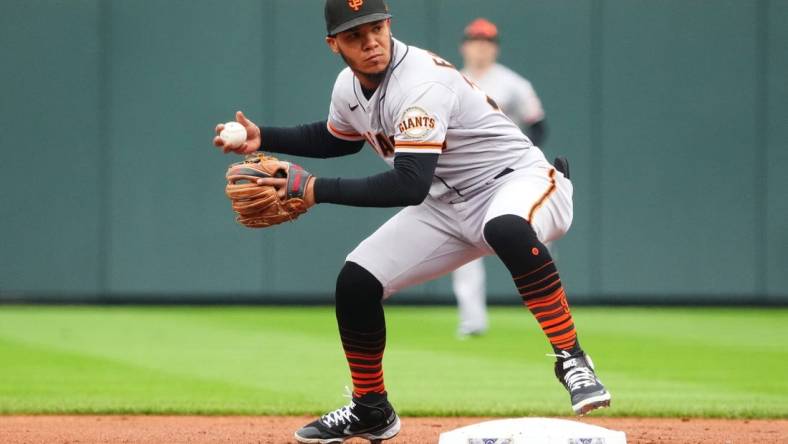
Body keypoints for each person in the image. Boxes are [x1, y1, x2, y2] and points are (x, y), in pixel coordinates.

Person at [213, 1, 610, 442]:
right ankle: (371, 408)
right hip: (446, 205)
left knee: (504, 228)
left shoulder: (420, 81)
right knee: (357, 281)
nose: (370, 42)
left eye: (376, 28)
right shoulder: (348, 85)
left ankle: (571, 358)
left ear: (388, 25)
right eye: (354, 36)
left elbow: (408, 185)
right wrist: (262, 136)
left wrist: (315, 190)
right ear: (334, 44)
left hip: (518, 181)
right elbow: (337, 138)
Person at [453, 17, 550, 339]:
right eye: (476, 41)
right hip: (467, 179)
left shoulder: (513, 84)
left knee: (533, 238)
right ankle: (472, 321)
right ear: (464, 46)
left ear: (495, 48)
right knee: (463, 247)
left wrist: (522, 154)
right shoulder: (450, 80)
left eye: (488, 42)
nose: (481, 48)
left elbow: (537, 124)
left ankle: (550, 309)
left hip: (511, 174)